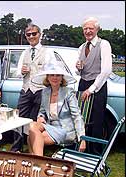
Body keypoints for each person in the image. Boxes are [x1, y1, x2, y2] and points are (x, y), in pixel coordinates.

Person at [10, 23, 57, 152]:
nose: (31, 36)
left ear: (39, 35)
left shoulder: (48, 52)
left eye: (34, 34)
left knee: (37, 122)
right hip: (26, 89)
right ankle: (16, 149)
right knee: (18, 120)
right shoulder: (25, 52)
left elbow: (53, 71)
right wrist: (22, 71)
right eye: (28, 34)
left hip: (41, 90)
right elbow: (17, 72)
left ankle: (34, 149)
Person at [28, 63, 86, 156]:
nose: (55, 78)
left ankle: (37, 162)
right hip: (50, 127)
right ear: (48, 77)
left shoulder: (68, 92)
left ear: (62, 78)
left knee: (33, 137)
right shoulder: (45, 92)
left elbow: (77, 116)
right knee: (32, 128)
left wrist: (82, 138)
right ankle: (38, 162)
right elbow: (42, 111)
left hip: (64, 130)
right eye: (52, 75)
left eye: (58, 75)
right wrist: (41, 117)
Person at [76, 16, 112, 154]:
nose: (88, 31)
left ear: (97, 29)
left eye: (91, 28)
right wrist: (78, 67)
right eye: (85, 28)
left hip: (98, 86)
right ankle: (81, 150)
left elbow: (106, 71)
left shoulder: (104, 44)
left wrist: (91, 90)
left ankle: (95, 154)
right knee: (82, 119)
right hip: (83, 82)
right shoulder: (81, 47)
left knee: (96, 121)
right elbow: (78, 71)